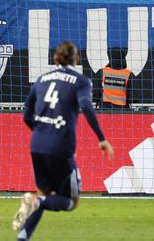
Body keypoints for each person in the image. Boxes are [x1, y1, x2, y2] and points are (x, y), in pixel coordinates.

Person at [12, 41, 114, 239]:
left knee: (42, 194)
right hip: (60, 147)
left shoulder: (41, 80)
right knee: (69, 202)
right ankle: (35, 203)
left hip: (37, 145)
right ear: (76, 59)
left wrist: (43, 130)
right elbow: (87, 107)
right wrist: (101, 138)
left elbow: (26, 115)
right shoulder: (80, 81)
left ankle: (22, 237)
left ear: (55, 58)